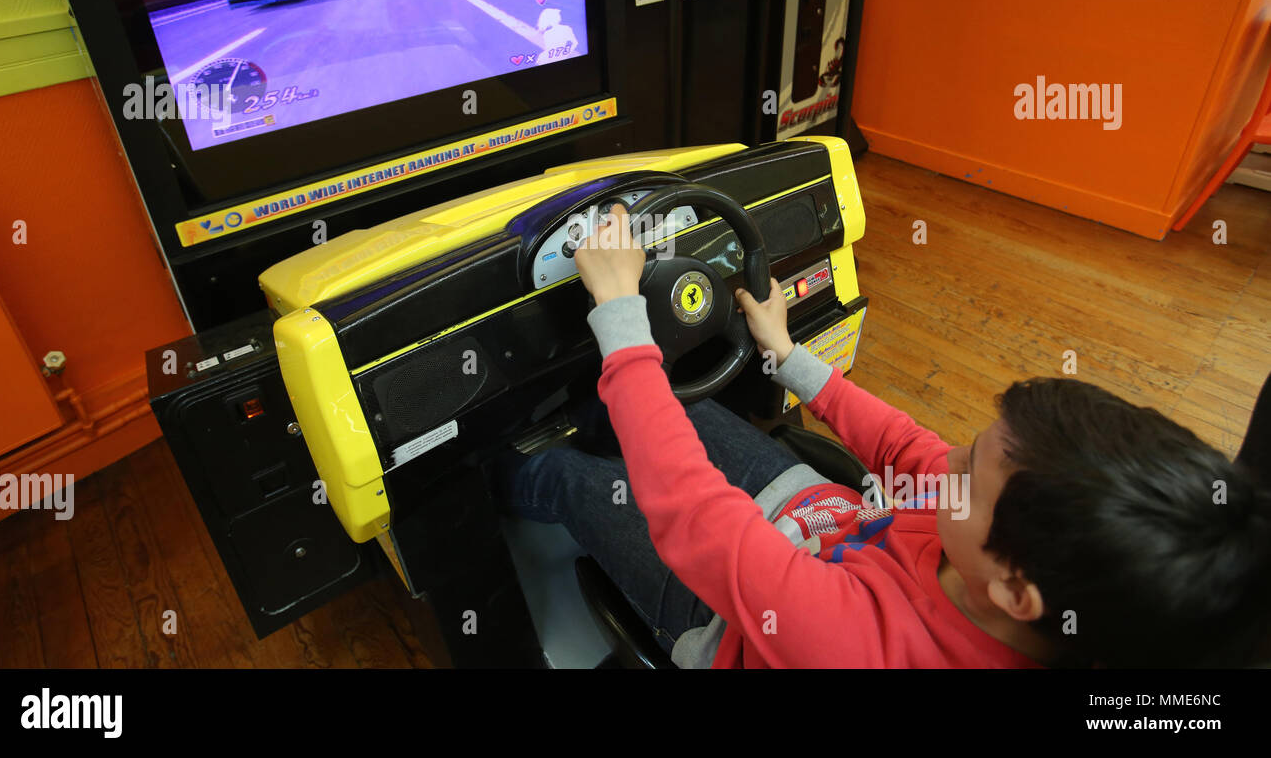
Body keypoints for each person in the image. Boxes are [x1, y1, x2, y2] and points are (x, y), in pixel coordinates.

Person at [492, 205, 1271, 667]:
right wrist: (789, 357)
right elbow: (907, 450)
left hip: (732, 618)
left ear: (1016, 592)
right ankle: (602, 417)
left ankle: (507, 479)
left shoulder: (858, 649)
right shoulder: (1004, 552)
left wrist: (625, 325)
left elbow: (696, 519)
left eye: (969, 467)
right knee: (678, 415)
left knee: (571, 480)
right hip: (826, 525)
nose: (948, 461)